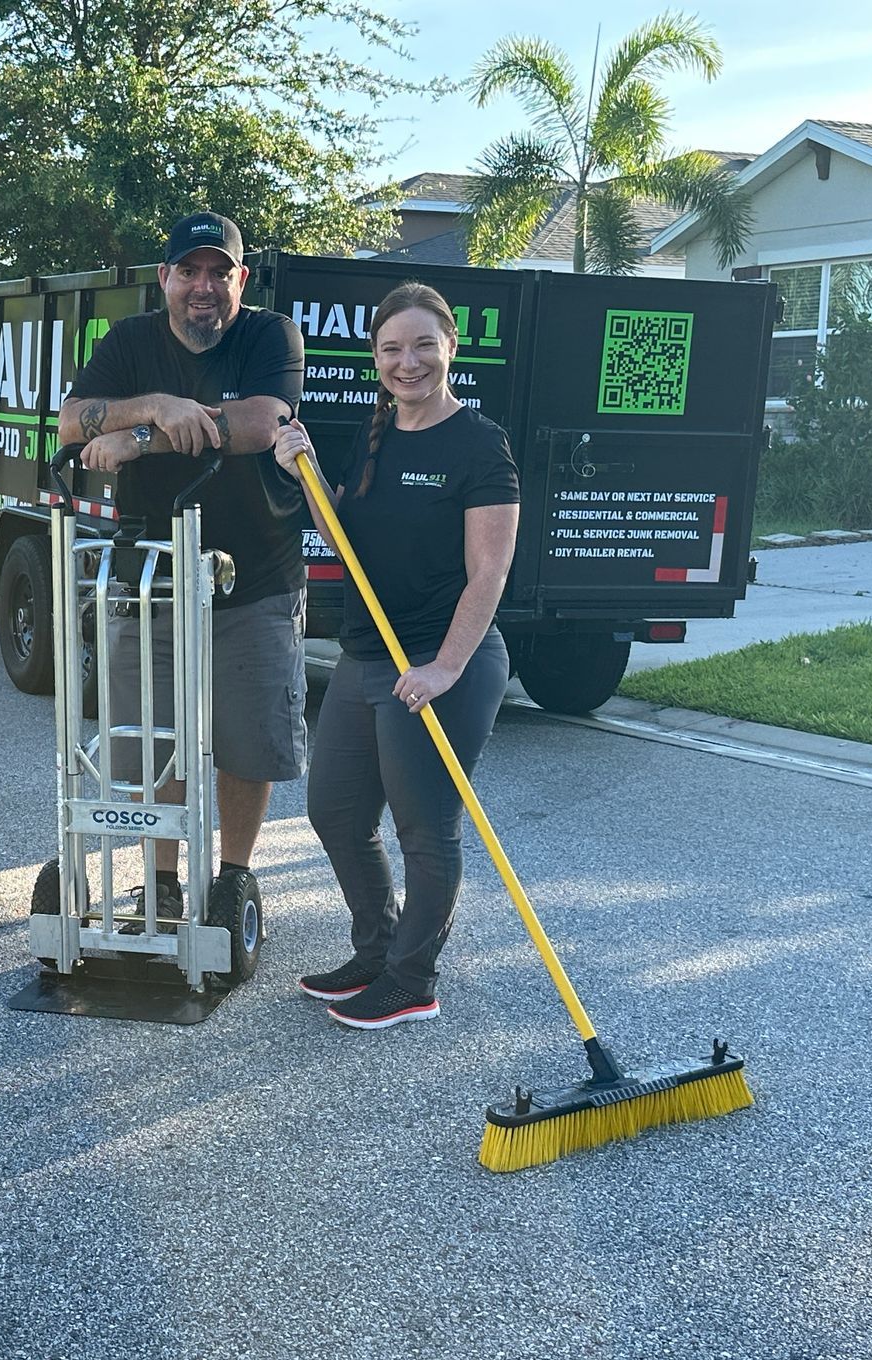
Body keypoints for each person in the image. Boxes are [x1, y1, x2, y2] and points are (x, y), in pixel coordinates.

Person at [272, 281, 519, 1029]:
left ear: (450, 346)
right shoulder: (375, 432)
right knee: (336, 812)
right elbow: (343, 532)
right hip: (368, 656)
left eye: (421, 344)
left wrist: (444, 667)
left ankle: (413, 979)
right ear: (376, 358)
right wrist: (304, 472)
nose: (406, 362)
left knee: (425, 827)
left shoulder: (479, 443)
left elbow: (490, 572)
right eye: (390, 349)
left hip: (446, 662)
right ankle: (377, 949)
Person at [56, 211, 307, 929]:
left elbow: (262, 422)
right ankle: (161, 885)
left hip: (253, 576)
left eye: (218, 272)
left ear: (241, 279)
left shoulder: (270, 334)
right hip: (149, 576)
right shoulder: (130, 341)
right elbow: (73, 421)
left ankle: (232, 879)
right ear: (164, 278)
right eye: (188, 271)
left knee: (246, 741)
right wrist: (156, 410)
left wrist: (140, 440)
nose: (204, 287)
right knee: (150, 739)